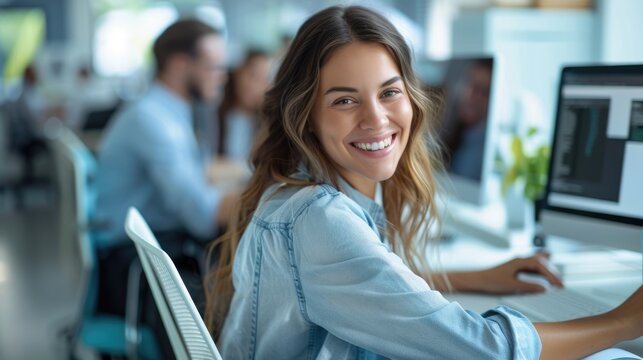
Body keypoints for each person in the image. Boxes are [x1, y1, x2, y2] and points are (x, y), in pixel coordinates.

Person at [204, 6, 643, 360]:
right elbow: (484, 349)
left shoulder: (298, 192)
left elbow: (362, 280)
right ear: (305, 116)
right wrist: (624, 321)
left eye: (389, 92)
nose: (376, 118)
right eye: (344, 100)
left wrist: (479, 277)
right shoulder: (319, 220)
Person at [93, 18, 238, 356]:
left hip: (141, 253)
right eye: (214, 66)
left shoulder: (168, 112)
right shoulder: (152, 120)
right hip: (129, 270)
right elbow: (202, 215)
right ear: (178, 65)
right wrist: (273, 189)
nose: (223, 76)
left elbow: (197, 179)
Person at [217, 49, 272, 161]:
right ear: (238, 73)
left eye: (264, 79)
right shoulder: (214, 112)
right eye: (253, 76)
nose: (255, 86)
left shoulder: (268, 124)